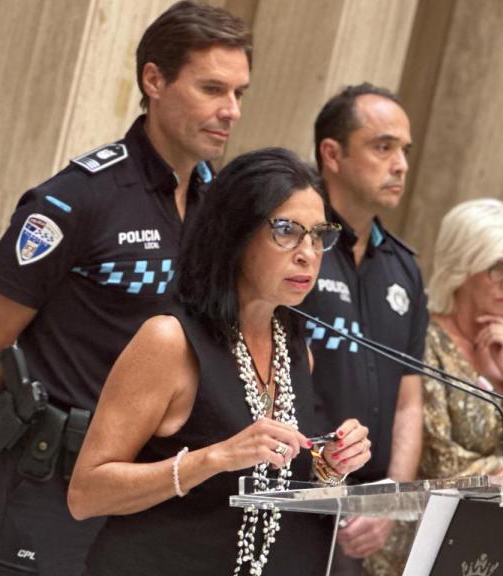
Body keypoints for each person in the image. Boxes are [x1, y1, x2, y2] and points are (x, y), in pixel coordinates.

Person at [0, 2, 252, 574]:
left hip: (159, 494)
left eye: (240, 92)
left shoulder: (223, 212)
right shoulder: (77, 200)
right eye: (213, 88)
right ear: (154, 80)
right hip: (52, 482)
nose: (231, 110)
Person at [68, 147, 372, 576]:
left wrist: (328, 465)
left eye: (318, 234)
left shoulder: (296, 350)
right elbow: (86, 494)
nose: (308, 253)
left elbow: (270, 487)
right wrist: (212, 459)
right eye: (286, 231)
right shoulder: (169, 341)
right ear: (235, 233)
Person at [365, 199, 503, 576]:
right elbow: (443, 464)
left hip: (489, 550)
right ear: (464, 266)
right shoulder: (424, 340)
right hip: (418, 550)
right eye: (498, 269)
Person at [299, 83, 427, 574]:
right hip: (295, 491)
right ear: (332, 154)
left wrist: (390, 501)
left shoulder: (405, 269)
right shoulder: (296, 247)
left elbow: (408, 400)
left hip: (363, 512)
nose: (401, 165)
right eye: (383, 146)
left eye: (404, 150)